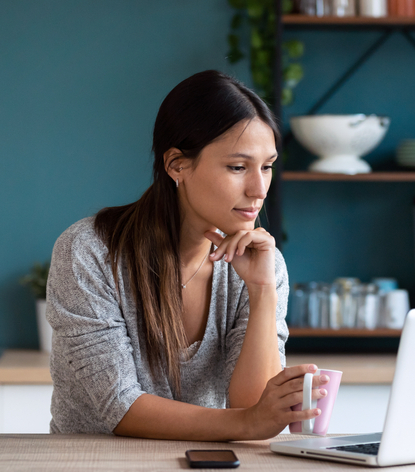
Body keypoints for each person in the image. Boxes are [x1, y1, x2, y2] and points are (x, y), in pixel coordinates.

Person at [46, 71, 327, 439]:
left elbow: (254, 406)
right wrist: (248, 422)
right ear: (177, 165)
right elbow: (119, 406)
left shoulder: (262, 264)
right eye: (237, 167)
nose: (259, 189)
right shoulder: (89, 252)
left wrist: (261, 291)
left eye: (267, 166)